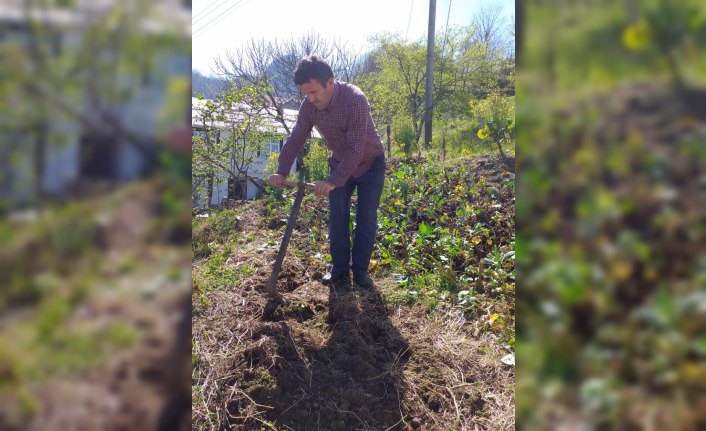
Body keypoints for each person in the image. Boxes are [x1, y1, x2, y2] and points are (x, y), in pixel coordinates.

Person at [268, 55, 385, 289]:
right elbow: (296, 137)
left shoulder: (355, 100)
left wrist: (333, 181)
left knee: (366, 220)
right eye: (305, 94)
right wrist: (281, 171)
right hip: (341, 161)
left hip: (370, 163)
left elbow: (357, 149)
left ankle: (360, 273)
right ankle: (340, 269)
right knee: (337, 218)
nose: (310, 99)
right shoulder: (309, 106)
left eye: (314, 92)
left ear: (330, 83)